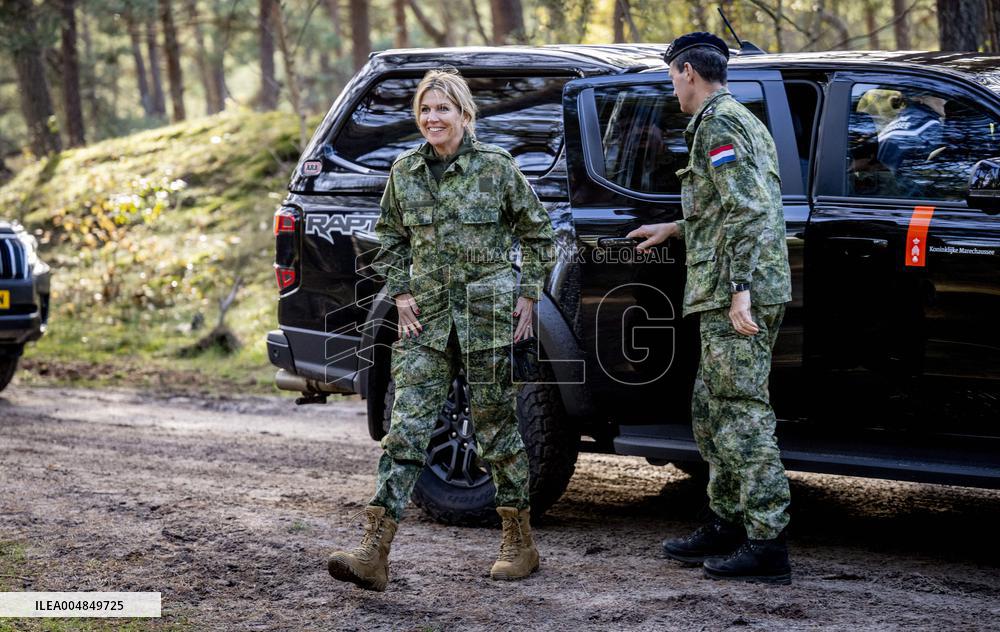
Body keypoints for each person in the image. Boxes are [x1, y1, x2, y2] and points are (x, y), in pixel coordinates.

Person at [326, 68, 555, 591]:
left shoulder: (496, 168)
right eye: (425, 109)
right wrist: (402, 293)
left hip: (488, 320)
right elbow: (387, 236)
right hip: (424, 322)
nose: (433, 118)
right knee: (405, 431)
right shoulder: (404, 171)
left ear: (464, 114)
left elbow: (539, 234)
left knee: (497, 429)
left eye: (443, 109)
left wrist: (528, 294)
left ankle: (520, 543)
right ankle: (373, 551)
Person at [626, 32, 793, 585]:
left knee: (744, 416)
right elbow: (726, 205)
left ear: (689, 72)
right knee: (713, 411)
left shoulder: (720, 126)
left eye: (672, 76)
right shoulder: (734, 120)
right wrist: (674, 227)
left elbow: (748, 212)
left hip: (735, 295)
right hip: (728, 288)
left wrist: (740, 289)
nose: (672, 86)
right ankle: (726, 522)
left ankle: (767, 543)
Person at [876, 91, 947, 197]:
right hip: (909, 198)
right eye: (940, 95)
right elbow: (930, 171)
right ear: (920, 98)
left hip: (885, 193)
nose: (945, 100)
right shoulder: (930, 125)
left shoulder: (894, 123)